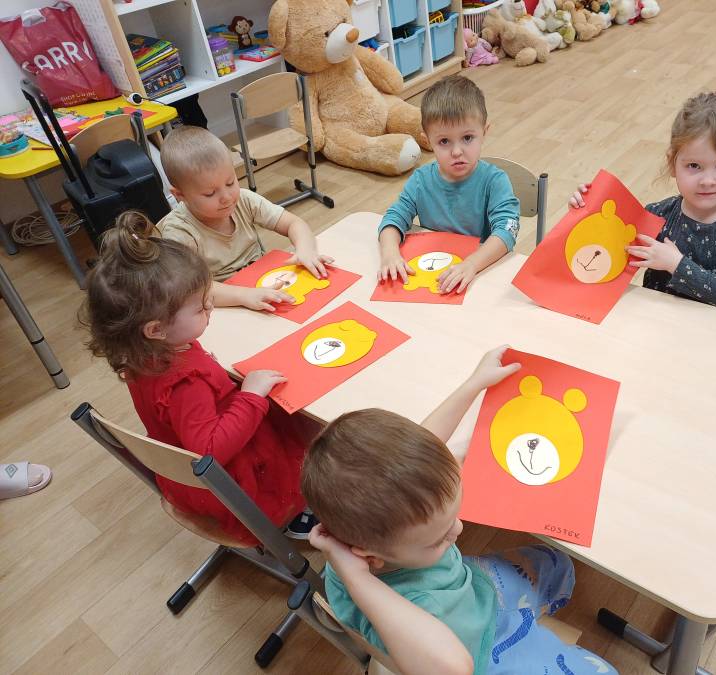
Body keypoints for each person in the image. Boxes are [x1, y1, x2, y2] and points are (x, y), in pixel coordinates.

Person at [302, 347, 618, 675]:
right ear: (369, 557)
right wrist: (356, 578)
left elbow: (425, 444)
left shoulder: (370, 531)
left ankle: (526, 612)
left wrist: (474, 384)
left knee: (558, 564)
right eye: (438, 539)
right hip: (478, 651)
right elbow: (454, 668)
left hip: (471, 593)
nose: (459, 530)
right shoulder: (382, 600)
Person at [81, 211, 316, 543]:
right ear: (156, 329)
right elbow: (210, 450)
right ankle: (294, 514)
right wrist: (250, 396)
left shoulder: (146, 353)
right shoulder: (184, 383)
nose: (211, 308)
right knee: (308, 433)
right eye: (201, 308)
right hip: (238, 484)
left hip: (193, 466)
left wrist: (217, 377)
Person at [570, 83, 716, 311]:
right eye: (694, 166)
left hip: (711, 330)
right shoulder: (658, 214)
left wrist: (677, 264)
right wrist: (585, 209)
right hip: (653, 322)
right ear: (672, 164)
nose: (708, 180)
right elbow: (604, 246)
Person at [158, 125, 333, 311]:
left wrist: (305, 250)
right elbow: (192, 289)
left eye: (230, 182)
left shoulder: (244, 200)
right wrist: (243, 295)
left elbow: (294, 223)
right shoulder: (179, 232)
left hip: (261, 283)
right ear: (180, 195)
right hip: (223, 303)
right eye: (210, 193)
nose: (227, 197)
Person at [378, 75, 520, 295]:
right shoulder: (420, 180)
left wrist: (471, 264)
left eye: (467, 138)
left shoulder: (495, 181)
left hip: (479, 275)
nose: (456, 152)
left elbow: (507, 231)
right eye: (444, 141)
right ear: (428, 141)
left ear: (484, 132)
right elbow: (393, 218)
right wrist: (390, 254)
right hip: (434, 275)